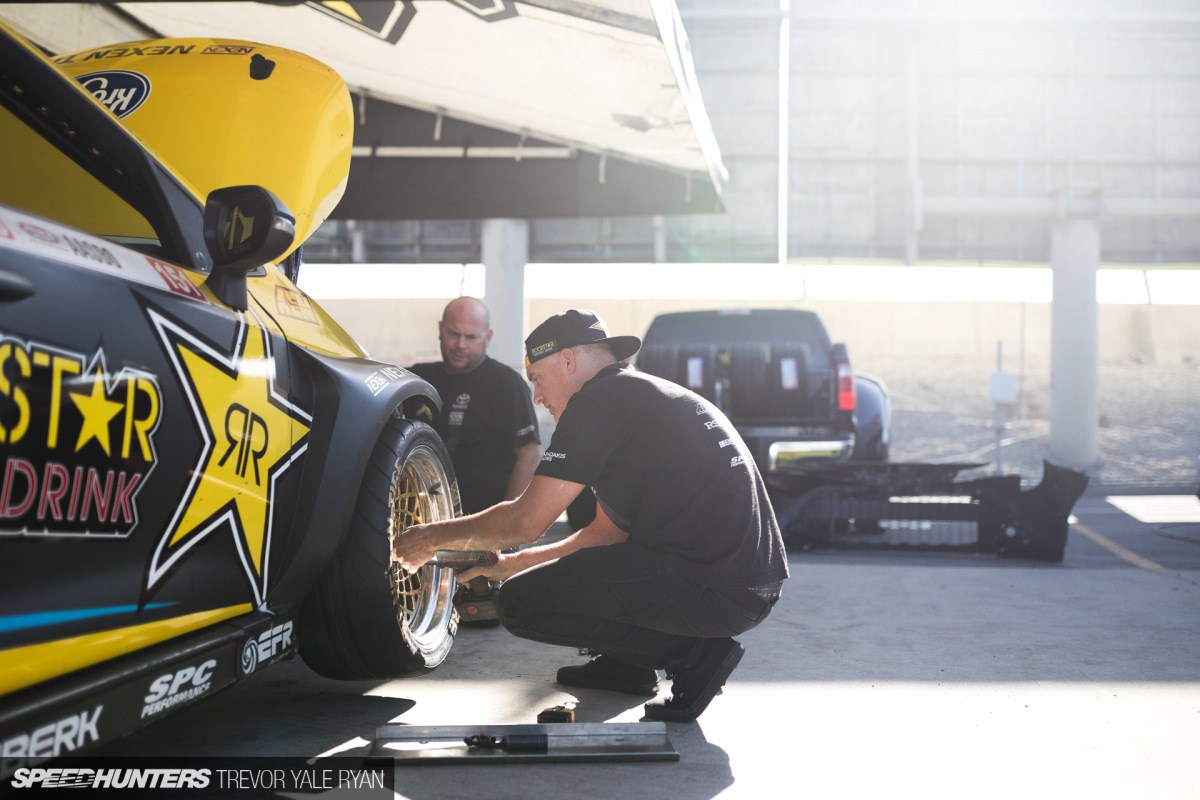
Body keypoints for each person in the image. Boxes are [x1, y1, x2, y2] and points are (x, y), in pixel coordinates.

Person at [393, 309, 788, 721]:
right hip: (745, 585)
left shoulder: (597, 402)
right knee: (571, 571)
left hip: (712, 587)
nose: (537, 397)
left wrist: (430, 538)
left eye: (537, 379)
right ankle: (628, 664)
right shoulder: (639, 397)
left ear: (567, 360)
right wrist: (512, 563)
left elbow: (526, 521)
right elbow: (604, 535)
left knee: (521, 603)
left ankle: (696, 655)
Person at [408, 297, 541, 623]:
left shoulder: (506, 384)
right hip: (420, 516)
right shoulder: (417, 380)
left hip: (481, 524)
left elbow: (529, 454)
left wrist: (507, 532)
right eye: (453, 334)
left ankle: (479, 586)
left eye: (471, 337)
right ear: (440, 330)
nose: (460, 345)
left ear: (488, 337)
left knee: (483, 613)